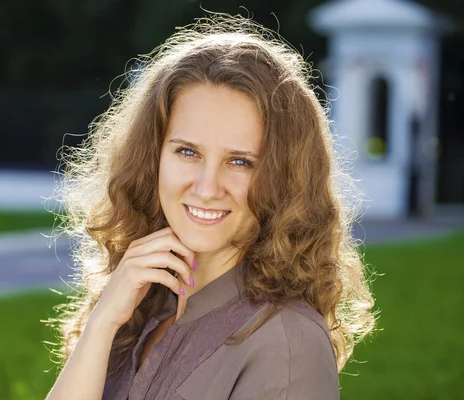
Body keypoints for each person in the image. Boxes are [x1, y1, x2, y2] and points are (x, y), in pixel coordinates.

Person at [44, 13, 377, 400]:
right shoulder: (140, 306)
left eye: (240, 161)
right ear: (153, 157)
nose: (206, 188)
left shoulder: (286, 346)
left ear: (284, 177)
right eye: (188, 151)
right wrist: (102, 323)